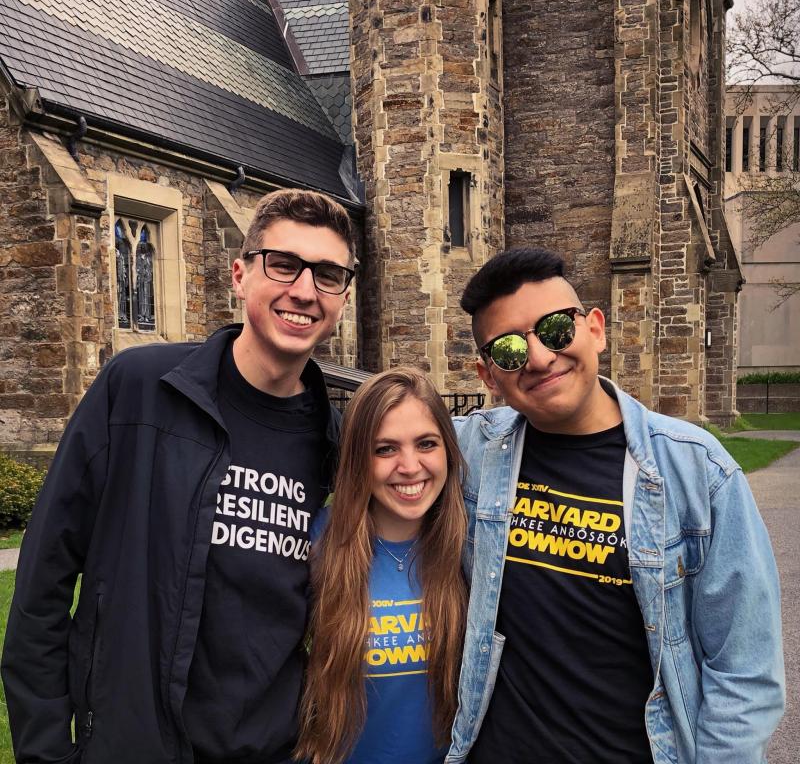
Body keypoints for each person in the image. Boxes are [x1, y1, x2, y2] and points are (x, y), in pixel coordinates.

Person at [2, 188, 357, 764]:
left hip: (272, 748)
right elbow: (43, 581)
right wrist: (46, 750)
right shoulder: (137, 390)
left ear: (343, 296)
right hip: (135, 744)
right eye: (284, 264)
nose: (304, 290)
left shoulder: (333, 442)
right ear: (239, 275)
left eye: (328, 275)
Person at [445, 248, 785, 764]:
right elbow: (370, 437)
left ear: (596, 330)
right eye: (509, 350)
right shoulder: (469, 451)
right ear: (488, 375)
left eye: (556, 329)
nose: (538, 358)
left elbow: (744, 670)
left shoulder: (696, 471)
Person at [296, 367, 467, 764]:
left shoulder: (470, 547)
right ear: (358, 458)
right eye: (385, 449)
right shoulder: (319, 543)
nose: (409, 466)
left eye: (426, 443)